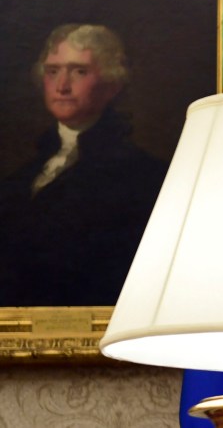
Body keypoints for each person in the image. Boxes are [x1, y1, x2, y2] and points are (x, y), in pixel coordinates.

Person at [0, 24, 167, 306]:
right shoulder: (21, 178)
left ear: (112, 84)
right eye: (53, 71)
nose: (62, 86)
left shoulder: (145, 177)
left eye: (79, 71)